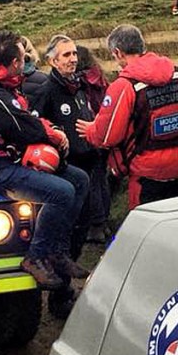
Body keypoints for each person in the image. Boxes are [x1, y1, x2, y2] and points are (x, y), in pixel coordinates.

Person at [0, 30, 89, 290]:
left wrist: (49, 131)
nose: (27, 60)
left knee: (80, 179)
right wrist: (53, 135)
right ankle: (36, 255)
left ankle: (57, 250)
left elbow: (26, 116)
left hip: (10, 161)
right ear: (14, 64)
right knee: (62, 192)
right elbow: (23, 127)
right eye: (22, 57)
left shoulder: (3, 87)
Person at [76, 24, 178, 209]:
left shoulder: (124, 86)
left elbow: (107, 136)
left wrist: (91, 130)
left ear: (118, 52)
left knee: (144, 221)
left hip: (147, 167)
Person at [27, 35, 100, 318]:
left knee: (79, 235)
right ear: (52, 61)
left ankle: (65, 289)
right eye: (66, 55)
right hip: (65, 174)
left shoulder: (79, 87)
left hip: (88, 170)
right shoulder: (48, 91)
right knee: (63, 237)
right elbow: (36, 128)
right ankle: (60, 298)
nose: (72, 59)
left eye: (73, 54)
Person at [75, 44, 112, 243]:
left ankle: (96, 225)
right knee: (101, 178)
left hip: (89, 132)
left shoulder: (81, 82)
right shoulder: (100, 77)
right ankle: (104, 222)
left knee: (91, 182)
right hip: (104, 131)